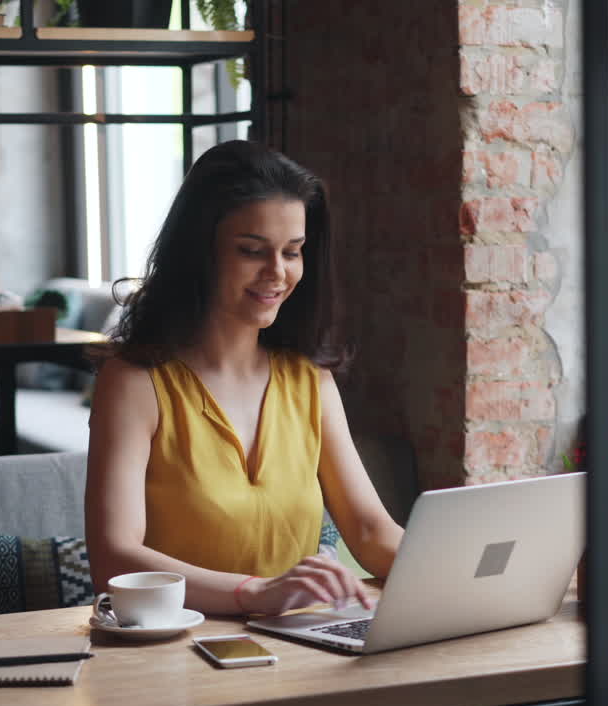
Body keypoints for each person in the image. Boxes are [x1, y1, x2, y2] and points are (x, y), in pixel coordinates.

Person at [86, 140, 404, 617]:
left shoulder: (308, 379)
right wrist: (253, 593)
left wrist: (468, 579)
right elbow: (114, 559)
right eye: (252, 251)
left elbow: (368, 532)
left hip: (300, 648)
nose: (277, 273)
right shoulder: (135, 383)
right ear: (199, 253)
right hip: (178, 650)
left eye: (293, 252)